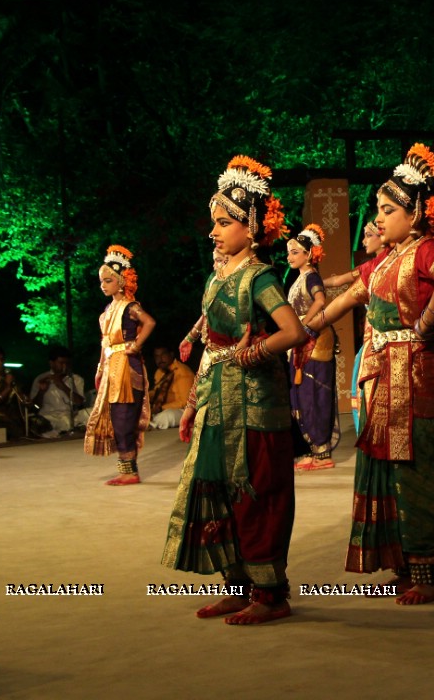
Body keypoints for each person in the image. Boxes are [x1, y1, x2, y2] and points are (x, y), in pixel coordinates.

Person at [305, 143, 434, 605]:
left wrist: (427, 323)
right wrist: (303, 329)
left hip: (414, 378)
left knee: (416, 469)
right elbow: (347, 298)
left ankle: (428, 570)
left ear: (414, 214)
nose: (378, 219)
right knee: (388, 470)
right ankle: (403, 562)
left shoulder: (425, 250)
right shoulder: (386, 260)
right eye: (378, 209)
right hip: (383, 380)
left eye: (387, 210)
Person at [162, 154, 306, 625]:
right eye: (214, 222)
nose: (214, 231)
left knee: (255, 494)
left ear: (251, 225)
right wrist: (192, 403)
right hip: (217, 400)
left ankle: (270, 595)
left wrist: (253, 353)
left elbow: (293, 331)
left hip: (254, 406)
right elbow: (210, 337)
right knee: (218, 492)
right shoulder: (217, 276)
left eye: (224, 222)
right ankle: (237, 585)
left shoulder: (259, 277)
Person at [85, 245, 156, 485]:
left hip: (127, 367)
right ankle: (126, 469)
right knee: (117, 419)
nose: (103, 285)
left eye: (108, 280)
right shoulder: (107, 310)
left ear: (120, 281)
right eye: (101, 281)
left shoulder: (130, 306)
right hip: (111, 366)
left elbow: (150, 322)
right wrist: (100, 368)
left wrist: (136, 345)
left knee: (125, 418)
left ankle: (130, 472)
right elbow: (105, 343)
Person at [286, 223, 340, 470]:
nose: (289, 257)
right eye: (289, 252)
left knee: (313, 395)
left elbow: (320, 300)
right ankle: (309, 449)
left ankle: (321, 452)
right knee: (301, 395)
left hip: (315, 342)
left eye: (295, 252)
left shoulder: (312, 276)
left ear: (309, 254)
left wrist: (306, 326)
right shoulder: (300, 278)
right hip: (300, 341)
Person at [323, 220, 385, 434]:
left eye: (369, 235)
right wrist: (313, 281)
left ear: (382, 236)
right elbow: (340, 280)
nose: (363, 240)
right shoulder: (368, 268)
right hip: (370, 339)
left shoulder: (381, 267)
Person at [0, 346, 47, 441]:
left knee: (40, 423)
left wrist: (28, 398)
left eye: (2, 360)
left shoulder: (8, 377)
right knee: (13, 429)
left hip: (13, 415)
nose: (0, 363)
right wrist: (7, 388)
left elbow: (21, 397)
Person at [30, 347, 89, 437]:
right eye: (61, 363)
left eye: (67, 363)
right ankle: (65, 432)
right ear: (51, 363)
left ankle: (66, 431)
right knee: (41, 423)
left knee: (92, 412)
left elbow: (79, 402)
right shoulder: (41, 378)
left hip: (71, 416)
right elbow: (35, 406)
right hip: (49, 417)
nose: (64, 366)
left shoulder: (76, 379)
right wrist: (41, 392)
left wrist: (62, 385)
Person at [148, 344, 194, 430]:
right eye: (157, 356)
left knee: (168, 416)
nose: (160, 359)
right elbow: (157, 392)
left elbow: (185, 402)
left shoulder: (182, 372)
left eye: (163, 354)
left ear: (171, 354)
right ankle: (150, 422)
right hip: (163, 409)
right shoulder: (159, 372)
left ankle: (151, 424)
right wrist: (145, 397)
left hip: (184, 411)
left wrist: (161, 408)